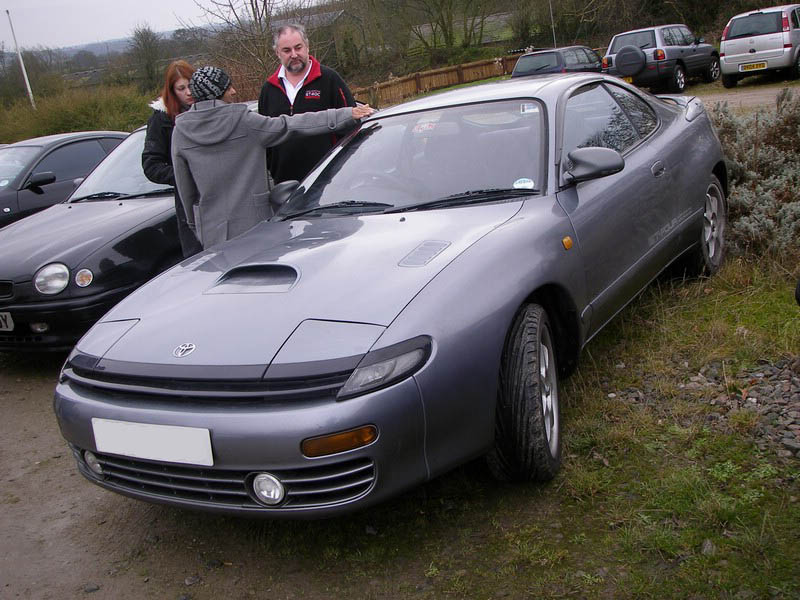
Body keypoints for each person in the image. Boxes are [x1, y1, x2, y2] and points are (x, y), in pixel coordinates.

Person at [172, 66, 374, 250]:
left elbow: (186, 191)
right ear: (217, 93)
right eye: (228, 87)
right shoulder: (244, 122)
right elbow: (292, 125)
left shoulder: (180, 131)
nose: (233, 91)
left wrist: (197, 224)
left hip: (212, 232)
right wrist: (346, 114)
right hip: (255, 228)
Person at [258, 23, 356, 184]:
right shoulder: (268, 89)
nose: (294, 54)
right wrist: (273, 168)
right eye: (287, 50)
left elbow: (351, 127)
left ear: (307, 46)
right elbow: (264, 136)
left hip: (329, 180)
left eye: (298, 47)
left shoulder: (329, 79)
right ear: (277, 53)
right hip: (285, 184)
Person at [142, 60, 203, 258]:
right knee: (199, 259)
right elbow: (151, 165)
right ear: (172, 91)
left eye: (191, 86)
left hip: (219, 195)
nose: (189, 93)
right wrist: (184, 174)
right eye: (181, 88)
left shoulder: (209, 110)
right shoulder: (161, 119)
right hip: (188, 201)